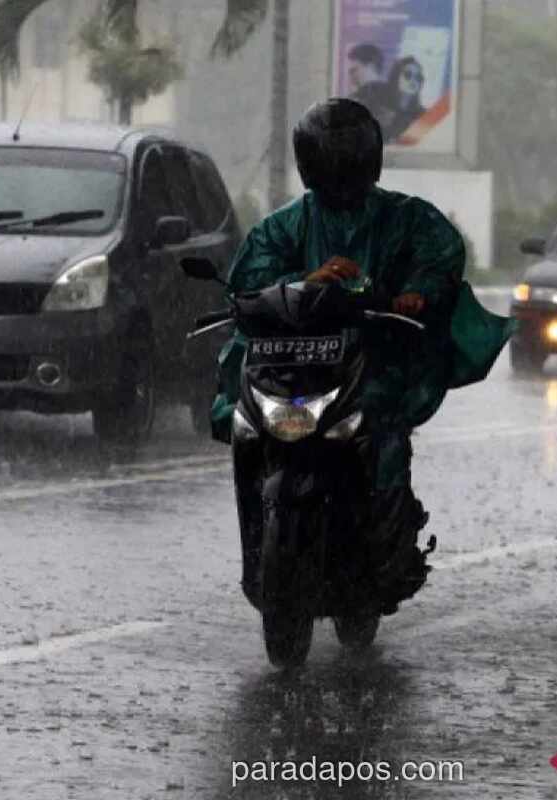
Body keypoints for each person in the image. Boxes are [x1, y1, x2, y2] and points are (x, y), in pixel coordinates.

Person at [211, 98, 514, 604]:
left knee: (384, 437)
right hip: (291, 367)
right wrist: (306, 281)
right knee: (247, 428)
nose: (340, 172)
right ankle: (260, 555)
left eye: (348, 160)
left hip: (371, 362)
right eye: (330, 160)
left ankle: (386, 549)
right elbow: (249, 282)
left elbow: (440, 256)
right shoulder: (286, 226)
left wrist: (417, 292)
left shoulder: (406, 219)